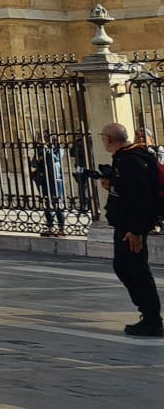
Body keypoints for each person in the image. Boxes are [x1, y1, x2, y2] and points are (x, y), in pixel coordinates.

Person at [75, 123, 161, 336]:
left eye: (103, 137)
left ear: (108, 139)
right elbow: (130, 190)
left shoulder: (131, 160)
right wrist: (111, 184)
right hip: (126, 225)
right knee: (125, 267)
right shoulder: (129, 156)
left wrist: (136, 231)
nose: (103, 140)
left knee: (135, 269)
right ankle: (149, 315)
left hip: (131, 228)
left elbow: (140, 198)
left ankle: (152, 319)